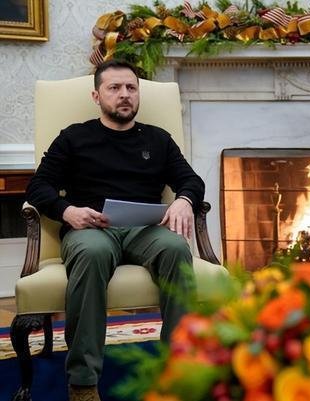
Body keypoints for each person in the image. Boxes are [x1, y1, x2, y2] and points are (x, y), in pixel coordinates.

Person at [26, 60, 204, 401]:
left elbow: (190, 180)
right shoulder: (74, 137)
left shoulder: (158, 139)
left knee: (176, 248)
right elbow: (38, 186)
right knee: (92, 253)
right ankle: (83, 381)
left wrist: (184, 200)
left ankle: (180, 368)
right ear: (97, 96)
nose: (125, 94)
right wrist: (68, 211)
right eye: (114, 88)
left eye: (131, 88)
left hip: (145, 229)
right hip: (91, 228)